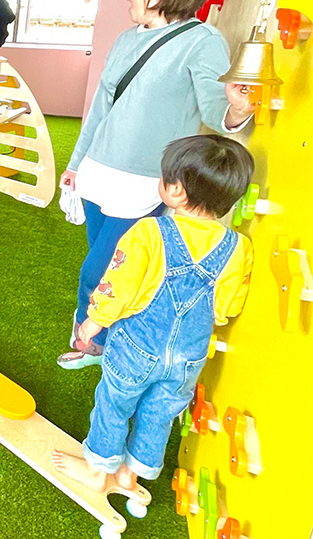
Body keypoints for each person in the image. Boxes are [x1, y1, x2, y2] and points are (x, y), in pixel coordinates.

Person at [57, 0, 256, 369]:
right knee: (111, 265)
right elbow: (100, 108)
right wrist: (75, 163)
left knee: (100, 270)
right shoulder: (126, 39)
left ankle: (95, 341)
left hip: (146, 181)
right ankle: (106, 331)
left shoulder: (202, 42)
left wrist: (237, 110)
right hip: (99, 172)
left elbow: (214, 109)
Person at [51, 135, 254, 497]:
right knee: (158, 416)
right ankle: (130, 476)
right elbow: (226, 309)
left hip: (136, 349)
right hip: (188, 358)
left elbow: (118, 285)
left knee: (113, 405)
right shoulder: (238, 247)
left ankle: (97, 471)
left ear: (175, 191)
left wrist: (94, 321)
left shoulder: (149, 231)